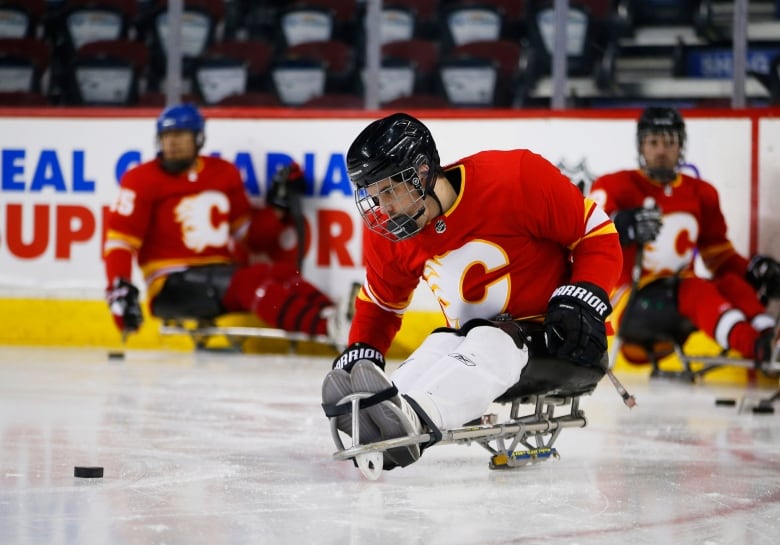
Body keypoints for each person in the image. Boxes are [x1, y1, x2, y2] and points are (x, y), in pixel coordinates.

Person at [321, 112, 623, 470]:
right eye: (373, 196)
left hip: (567, 340)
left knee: (491, 340)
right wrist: (364, 349)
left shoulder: (515, 178)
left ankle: (415, 418)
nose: (383, 209)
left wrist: (584, 293)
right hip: (481, 346)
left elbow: (597, 233)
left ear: (421, 173)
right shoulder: (393, 232)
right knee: (441, 342)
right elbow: (382, 302)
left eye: (388, 190)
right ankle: (381, 406)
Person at [103, 103, 347, 343]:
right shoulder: (140, 179)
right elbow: (120, 243)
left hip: (220, 271)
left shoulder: (222, 173)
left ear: (198, 138)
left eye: (179, 135)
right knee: (249, 283)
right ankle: (327, 328)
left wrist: (277, 208)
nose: (171, 143)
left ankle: (339, 317)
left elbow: (251, 237)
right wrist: (119, 287)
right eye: (165, 136)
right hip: (170, 283)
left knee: (282, 272)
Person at [588, 106, 780, 366]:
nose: (661, 151)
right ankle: (759, 349)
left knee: (731, 284)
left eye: (669, 142)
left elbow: (719, 257)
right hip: (628, 303)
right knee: (695, 289)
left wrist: (752, 270)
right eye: (653, 142)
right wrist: (617, 224)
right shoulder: (615, 187)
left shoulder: (701, 193)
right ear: (641, 147)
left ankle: (771, 335)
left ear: (681, 146)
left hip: (678, 297)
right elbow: (585, 235)